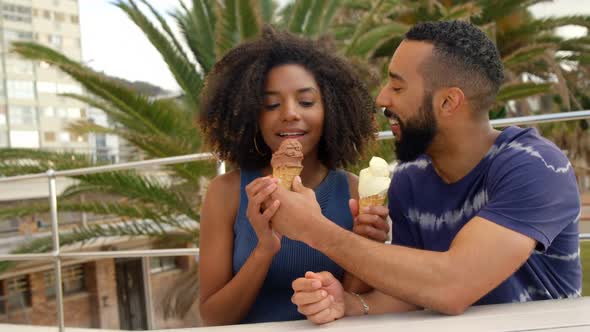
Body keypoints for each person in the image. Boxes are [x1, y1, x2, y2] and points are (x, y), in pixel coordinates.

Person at [263, 20, 581, 324]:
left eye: (397, 87)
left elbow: (452, 286)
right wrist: (350, 304)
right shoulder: (411, 177)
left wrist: (313, 229)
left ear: (447, 102)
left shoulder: (536, 166)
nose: (382, 98)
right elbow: (414, 292)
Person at [197, 26, 389, 325]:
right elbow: (213, 317)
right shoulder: (226, 192)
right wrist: (265, 248)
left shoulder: (351, 191)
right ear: (252, 115)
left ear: (331, 110)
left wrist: (367, 244)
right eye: (271, 104)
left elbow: (350, 300)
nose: (289, 113)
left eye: (306, 101)